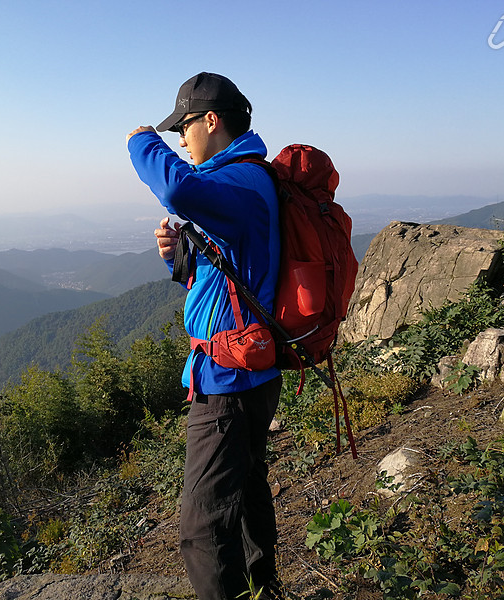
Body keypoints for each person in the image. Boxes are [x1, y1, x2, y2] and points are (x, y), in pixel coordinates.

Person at [126, 72, 284, 600]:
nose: (180, 139)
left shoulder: (239, 182)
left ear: (210, 121)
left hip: (229, 381)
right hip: (246, 369)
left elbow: (174, 186)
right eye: (171, 135)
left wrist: (140, 140)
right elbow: (230, 274)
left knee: (201, 524)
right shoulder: (242, 180)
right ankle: (265, 589)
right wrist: (181, 261)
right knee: (244, 493)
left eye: (183, 127)